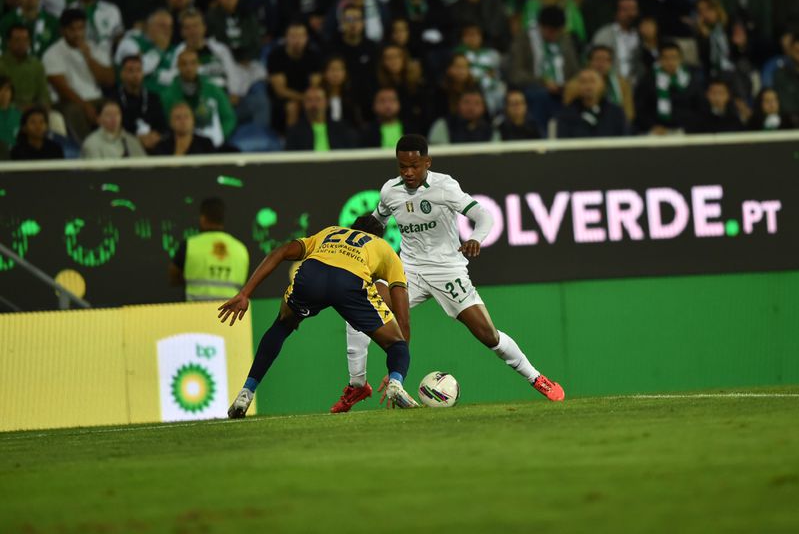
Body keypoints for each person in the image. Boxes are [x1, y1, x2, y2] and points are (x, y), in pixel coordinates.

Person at [330, 135, 565, 413]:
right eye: (402, 166)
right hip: (409, 270)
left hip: (447, 270)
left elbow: (484, 216)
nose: (408, 173)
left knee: (488, 335)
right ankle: (357, 386)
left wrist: (476, 238)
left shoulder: (445, 186)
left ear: (427, 163)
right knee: (357, 307)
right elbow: (377, 222)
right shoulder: (390, 191)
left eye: (414, 166)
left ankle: (536, 378)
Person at [220, 214, 419, 417]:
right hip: (349, 282)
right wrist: (400, 365)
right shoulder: (384, 248)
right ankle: (395, 385)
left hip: (312, 276)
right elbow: (403, 315)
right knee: (396, 344)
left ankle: (246, 393)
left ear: (351, 228)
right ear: (379, 235)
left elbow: (281, 252)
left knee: (281, 326)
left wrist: (245, 293)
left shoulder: (331, 232)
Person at [42, 8, 114, 141]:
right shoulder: (52, 54)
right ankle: (86, 150)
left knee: (112, 107)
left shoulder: (94, 48)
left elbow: (109, 80)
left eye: (81, 28)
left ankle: (112, 147)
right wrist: (85, 106)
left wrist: (89, 58)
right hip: (67, 101)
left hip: (96, 98)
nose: (77, 34)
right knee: (74, 111)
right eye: (72, 29)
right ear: (63, 31)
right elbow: (63, 90)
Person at [170, 197, 250, 304]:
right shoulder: (240, 249)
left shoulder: (189, 245)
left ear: (202, 219)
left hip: (196, 314)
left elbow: (173, 277)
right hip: (232, 314)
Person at [556, 68, 627, 138]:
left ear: (602, 85)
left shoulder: (616, 113)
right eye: (583, 82)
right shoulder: (566, 115)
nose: (588, 86)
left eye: (592, 81)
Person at [80, 100, 147, 159]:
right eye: (108, 114)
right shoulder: (91, 143)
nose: (113, 118)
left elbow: (145, 167)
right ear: (98, 119)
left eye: (117, 114)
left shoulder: (131, 140)